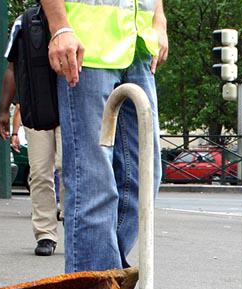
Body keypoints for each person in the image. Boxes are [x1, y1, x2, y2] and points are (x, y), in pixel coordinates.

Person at [40, 0, 169, 272]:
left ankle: (102, 279)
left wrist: (159, 18)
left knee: (145, 176)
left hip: (139, 46)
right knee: (93, 184)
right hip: (86, 48)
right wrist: (60, 26)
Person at [0, 15, 62, 257]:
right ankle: (45, 233)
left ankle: (74, 221)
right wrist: (4, 110)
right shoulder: (23, 22)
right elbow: (12, 68)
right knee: (40, 172)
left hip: (71, 103)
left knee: (68, 167)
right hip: (36, 107)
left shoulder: (76, 14)